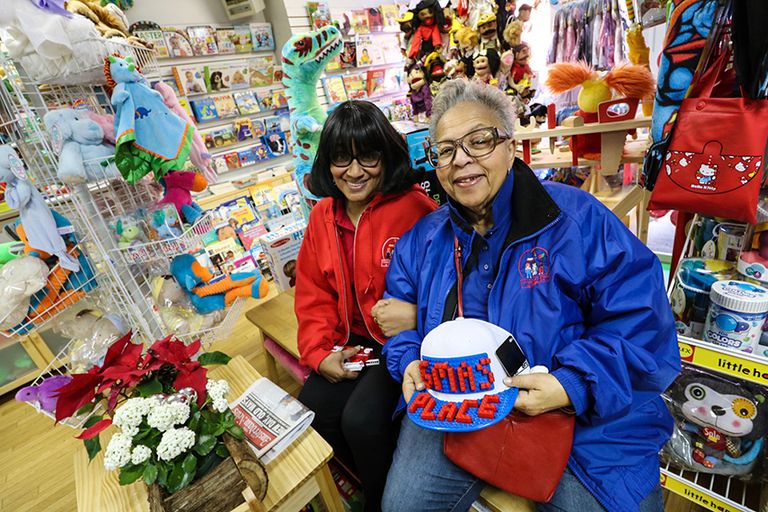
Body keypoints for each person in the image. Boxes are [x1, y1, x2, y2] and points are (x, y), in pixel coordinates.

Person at [380, 79, 680, 512]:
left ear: (510, 146)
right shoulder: (425, 237)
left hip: (575, 418)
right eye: (445, 150)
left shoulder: (577, 221)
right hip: (453, 400)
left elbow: (642, 323)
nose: (460, 159)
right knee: (402, 507)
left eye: (479, 141)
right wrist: (408, 356)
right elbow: (399, 309)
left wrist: (571, 384)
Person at [294, 100, 436, 512]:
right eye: (342, 158)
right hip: (349, 340)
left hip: (403, 343)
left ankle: (382, 499)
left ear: (386, 155)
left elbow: (447, 287)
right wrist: (320, 353)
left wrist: (416, 318)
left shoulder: (415, 208)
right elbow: (313, 293)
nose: (354, 172)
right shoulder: (322, 215)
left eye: (367, 157)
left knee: (362, 421)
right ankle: (366, 482)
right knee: (313, 409)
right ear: (327, 162)